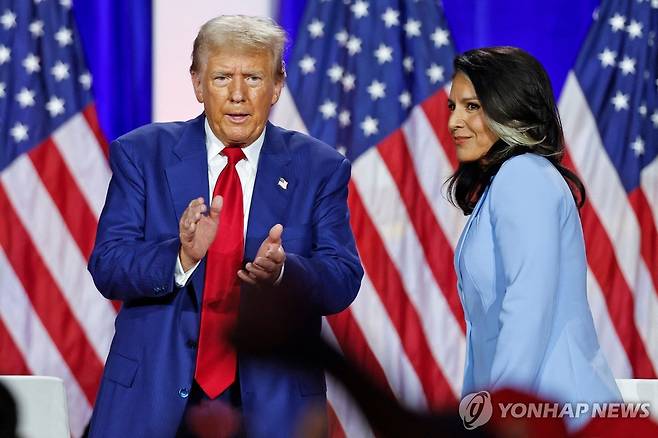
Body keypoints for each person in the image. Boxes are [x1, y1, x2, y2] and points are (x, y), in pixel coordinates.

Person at [87, 15, 363, 437]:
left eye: (253, 77)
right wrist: (179, 256)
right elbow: (108, 265)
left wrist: (285, 271)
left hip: (273, 406)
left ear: (277, 85)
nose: (237, 94)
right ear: (197, 84)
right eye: (221, 77)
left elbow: (342, 278)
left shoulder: (320, 167)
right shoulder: (142, 154)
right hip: (152, 402)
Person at [446, 47, 621, 423]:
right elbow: (484, 335)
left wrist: (498, 418)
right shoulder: (503, 184)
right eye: (453, 107)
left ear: (509, 109)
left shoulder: (523, 175)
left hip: (557, 414)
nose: (454, 122)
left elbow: (527, 310)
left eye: (472, 106)